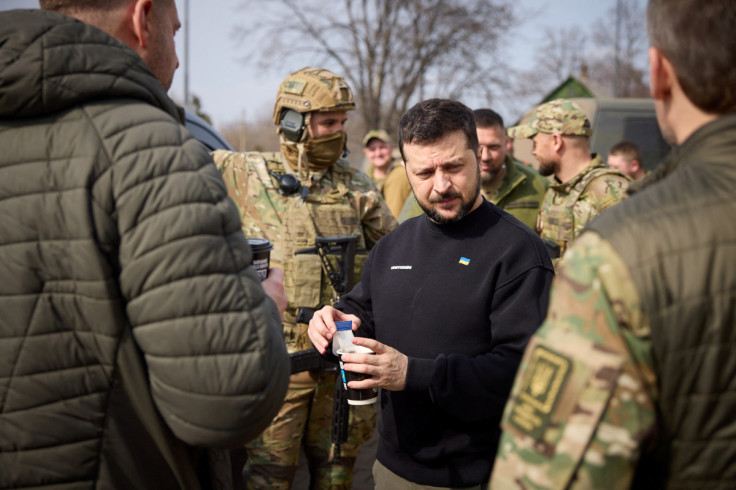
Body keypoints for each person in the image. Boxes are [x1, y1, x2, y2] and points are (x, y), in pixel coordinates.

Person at [0, 2, 290, 489]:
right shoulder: (154, 151)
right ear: (142, 19)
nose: (176, 59)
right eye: (173, 33)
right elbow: (226, 402)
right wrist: (264, 308)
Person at [491, 0, 736, 488]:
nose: (528, 149)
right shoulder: (561, 194)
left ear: (659, 73)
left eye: (534, 140)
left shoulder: (627, 228)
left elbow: (545, 471)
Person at [308, 99, 555, 489]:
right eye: (424, 172)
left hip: (482, 473)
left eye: (454, 167)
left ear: (478, 157)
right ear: (405, 170)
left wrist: (413, 374)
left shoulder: (519, 252)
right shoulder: (393, 245)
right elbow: (362, 311)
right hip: (392, 468)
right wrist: (333, 321)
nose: (441, 185)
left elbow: (524, 373)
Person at [213, 67, 397, 490]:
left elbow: (394, 256)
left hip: (339, 361)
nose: (338, 132)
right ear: (293, 123)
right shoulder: (246, 173)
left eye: (342, 123)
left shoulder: (357, 186)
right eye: (328, 123)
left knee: (337, 473)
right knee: (267, 475)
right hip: (278, 360)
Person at [507, 98, 630, 264]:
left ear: (556, 142)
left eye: (535, 143)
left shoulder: (610, 190)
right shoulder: (556, 192)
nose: (533, 152)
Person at [398, 108, 548, 231]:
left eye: (494, 147)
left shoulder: (537, 185)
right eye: (480, 146)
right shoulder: (434, 191)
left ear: (507, 143)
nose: (486, 156)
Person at [363, 129, 412, 219]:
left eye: (382, 147)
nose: (378, 153)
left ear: (391, 147)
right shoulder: (362, 180)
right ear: (366, 153)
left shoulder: (402, 173)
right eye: (372, 149)